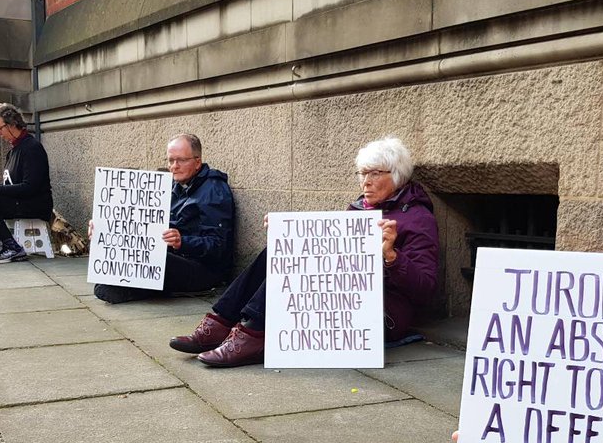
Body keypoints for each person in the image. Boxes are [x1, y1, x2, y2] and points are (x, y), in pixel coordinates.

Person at [170, 136, 439, 367]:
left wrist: (392, 257)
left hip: (380, 314)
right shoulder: (358, 209)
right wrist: (289, 234)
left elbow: (426, 289)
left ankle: (252, 334)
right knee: (275, 252)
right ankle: (221, 322)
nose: (365, 182)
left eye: (374, 174)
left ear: (396, 175)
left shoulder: (416, 218)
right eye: (362, 173)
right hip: (339, 296)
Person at [92, 133, 235, 302]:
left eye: (181, 160)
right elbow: (141, 222)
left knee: (155, 260)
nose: (174, 166)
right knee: (119, 259)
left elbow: (219, 246)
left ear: (197, 162)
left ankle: (142, 288)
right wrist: (105, 226)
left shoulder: (214, 190)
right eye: (170, 160)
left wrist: (182, 242)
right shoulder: (174, 186)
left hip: (203, 268)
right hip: (174, 256)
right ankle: (140, 287)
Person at [0, 103, 53, 263]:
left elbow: (30, 187)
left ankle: (12, 248)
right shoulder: (13, 151)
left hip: (35, 203)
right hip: (19, 202)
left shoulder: (31, 148)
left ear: (12, 124)